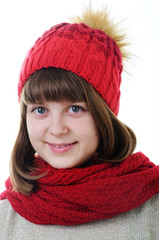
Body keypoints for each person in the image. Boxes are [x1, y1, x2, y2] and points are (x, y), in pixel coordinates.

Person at [0, 6, 159, 240]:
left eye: (75, 109)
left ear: (104, 116)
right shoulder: (6, 216)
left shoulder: (151, 209)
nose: (56, 129)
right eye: (40, 109)